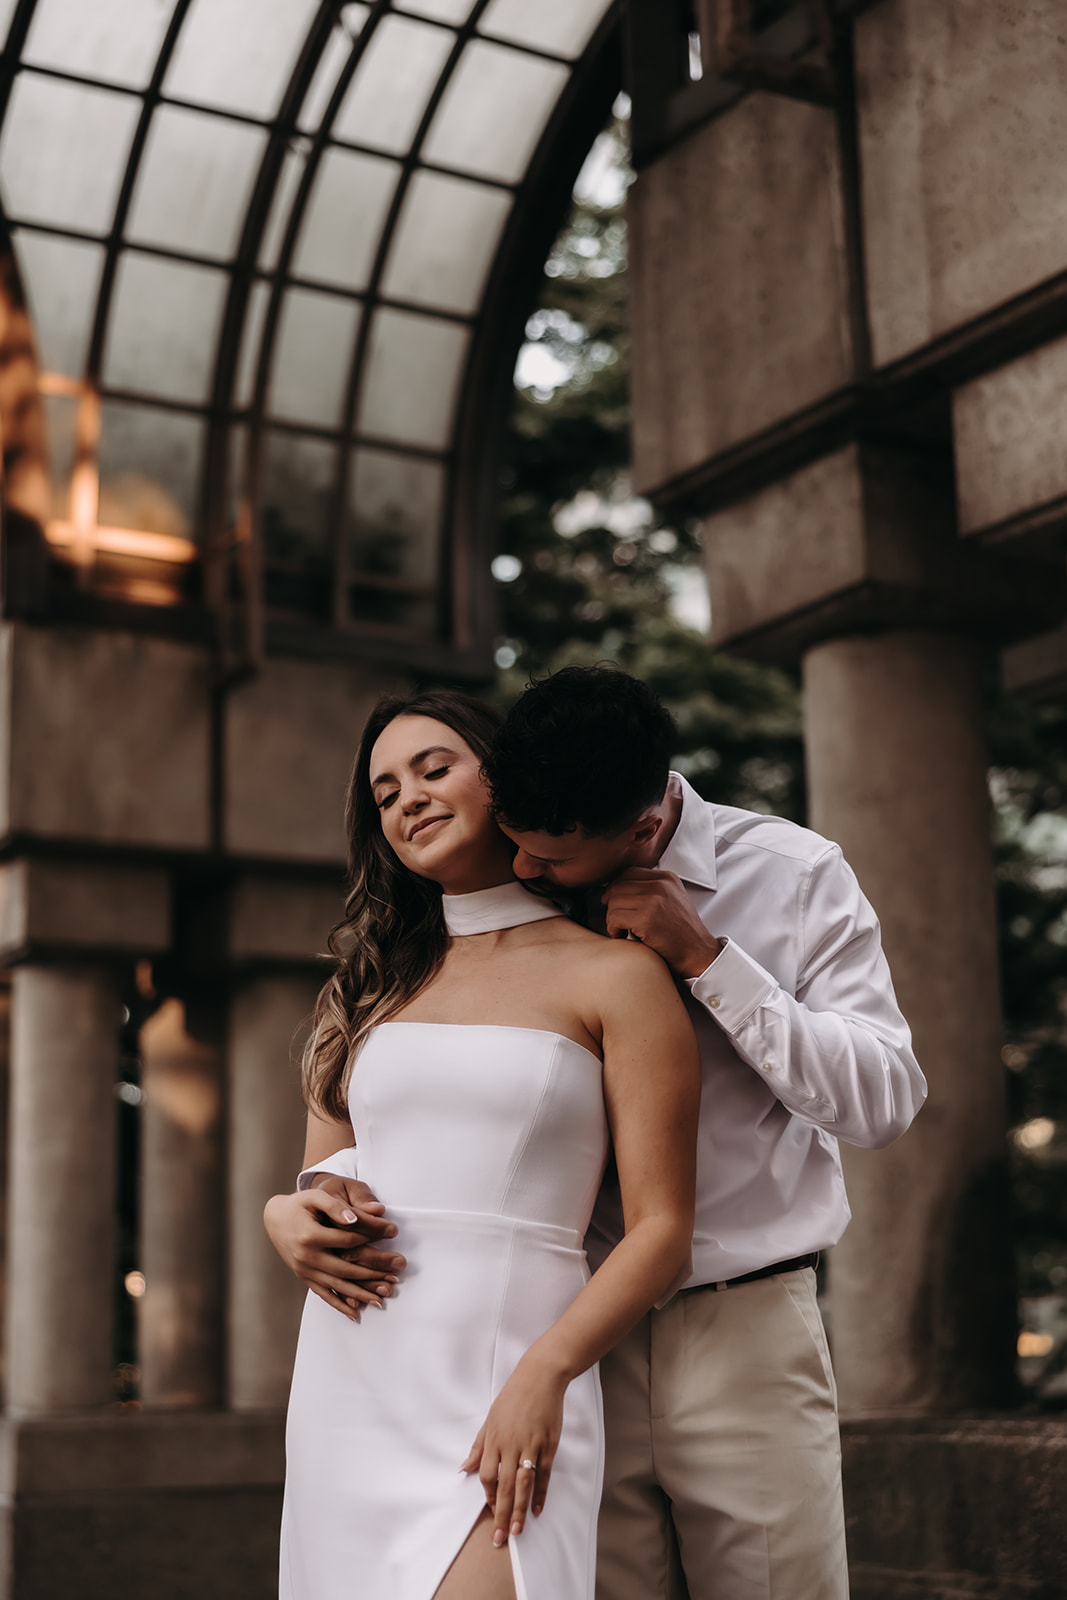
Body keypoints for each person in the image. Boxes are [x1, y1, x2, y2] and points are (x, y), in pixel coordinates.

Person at [281, 665, 927, 1600]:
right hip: (568, 1326)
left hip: (736, 1318)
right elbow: (411, 1118)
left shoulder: (788, 875)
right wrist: (299, 1199)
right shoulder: (493, 886)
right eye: (518, 844)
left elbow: (883, 1102)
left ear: (640, 828)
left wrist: (708, 960)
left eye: (549, 858)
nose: (530, 870)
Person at [265, 688, 700, 1600]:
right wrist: (286, 1213)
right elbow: (324, 1171)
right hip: (356, 1376)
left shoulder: (619, 976)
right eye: (384, 793)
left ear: (501, 779)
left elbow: (661, 1229)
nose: (408, 800)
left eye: (433, 769)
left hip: (518, 1372)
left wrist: (547, 1373)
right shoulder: (367, 984)